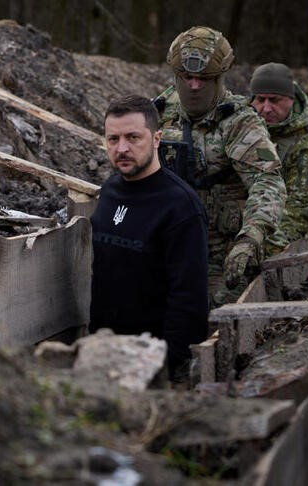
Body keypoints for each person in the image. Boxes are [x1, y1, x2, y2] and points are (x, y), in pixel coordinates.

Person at [154, 26, 287, 306]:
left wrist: (251, 236)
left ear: (219, 77)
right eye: (187, 77)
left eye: (204, 79)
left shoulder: (239, 122)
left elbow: (268, 182)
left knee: (212, 321)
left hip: (220, 252)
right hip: (166, 243)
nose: (194, 86)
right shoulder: (160, 112)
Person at [89, 94, 209, 383]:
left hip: (153, 363)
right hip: (104, 354)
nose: (122, 148)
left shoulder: (180, 207)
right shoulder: (109, 191)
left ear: (156, 139)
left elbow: (189, 298)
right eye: (113, 139)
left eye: (133, 137)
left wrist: (166, 365)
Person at [249, 63, 308, 255]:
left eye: (274, 100)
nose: (266, 108)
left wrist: (260, 247)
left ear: (291, 99)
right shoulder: (242, 133)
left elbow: (305, 211)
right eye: (260, 99)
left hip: (275, 239)